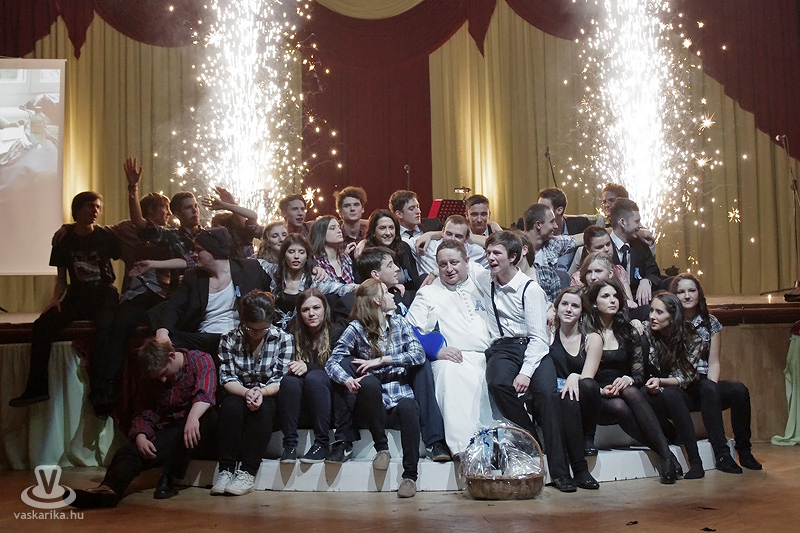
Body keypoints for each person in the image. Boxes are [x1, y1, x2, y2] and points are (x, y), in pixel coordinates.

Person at [472, 230, 576, 492]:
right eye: (488, 253)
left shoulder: (531, 290)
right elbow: (462, 262)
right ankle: (531, 438)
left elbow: (539, 338)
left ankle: (561, 472)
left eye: (497, 253)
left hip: (533, 346)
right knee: (497, 383)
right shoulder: (485, 279)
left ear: (513, 257)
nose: (490, 258)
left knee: (547, 396)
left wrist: (526, 372)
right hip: (504, 347)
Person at [68, 338, 216, 508]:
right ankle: (108, 490)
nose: (162, 379)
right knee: (129, 452)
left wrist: (192, 418)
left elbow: (205, 394)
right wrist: (140, 435)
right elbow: (143, 410)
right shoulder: (150, 379)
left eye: (164, 373)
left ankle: (168, 478)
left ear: (172, 356)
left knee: (201, 419)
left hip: (196, 424)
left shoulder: (200, 359)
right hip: (169, 428)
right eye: (157, 376)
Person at [10, 191, 121, 407]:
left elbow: (124, 249)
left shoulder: (105, 236)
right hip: (77, 295)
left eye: (98, 207)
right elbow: (61, 278)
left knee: (106, 330)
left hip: (103, 294)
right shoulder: (63, 240)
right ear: (77, 209)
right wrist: (54, 299)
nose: (95, 211)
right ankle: (36, 389)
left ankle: (100, 392)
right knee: (42, 326)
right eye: (90, 206)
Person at [326, 279, 426, 498]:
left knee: (409, 406)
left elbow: (418, 354)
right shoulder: (356, 328)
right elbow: (332, 362)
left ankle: (410, 477)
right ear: (377, 301)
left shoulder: (399, 323)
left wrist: (383, 360)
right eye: (387, 293)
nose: (392, 295)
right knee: (369, 383)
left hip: (398, 397)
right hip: (373, 405)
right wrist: (347, 380)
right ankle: (382, 448)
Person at [580, 279, 679, 484]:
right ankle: (666, 453)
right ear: (595, 302)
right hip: (597, 395)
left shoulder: (629, 331)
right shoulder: (585, 331)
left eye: (616, 296)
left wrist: (627, 379)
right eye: (606, 296)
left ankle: (666, 458)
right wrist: (603, 390)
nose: (612, 300)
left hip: (625, 391)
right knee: (619, 406)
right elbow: (583, 375)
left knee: (631, 391)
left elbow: (638, 375)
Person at [406, 240, 495, 456]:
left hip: (489, 356)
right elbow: (408, 330)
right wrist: (436, 351)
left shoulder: (482, 285)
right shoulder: (428, 293)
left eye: (454, 262)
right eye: (442, 264)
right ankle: (465, 450)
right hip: (454, 358)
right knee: (448, 372)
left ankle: (498, 447)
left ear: (466, 261)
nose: (448, 269)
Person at [670, 274, 762, 471]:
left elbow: (714, 362)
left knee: (738, 390)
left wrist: (711, 386)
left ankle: (744, 451)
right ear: (674, 296)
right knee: (707, 389)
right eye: (681, 292)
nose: (687, 296)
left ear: (699, 293)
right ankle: (722, 455)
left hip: (704, 382)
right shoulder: (668, 321)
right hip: (679, 385)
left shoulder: (710, 322)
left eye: (691, 291)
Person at [212, 290, 294, 496]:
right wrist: (247, 392)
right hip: (239, 391)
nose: (257, 334)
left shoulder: (284, 339)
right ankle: (226, 469)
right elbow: (227, 377)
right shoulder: (229, 339)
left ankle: (248, 471)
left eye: (262, 329)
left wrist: (261, 392)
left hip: (269, 394)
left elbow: (280, 379)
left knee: (264, 409)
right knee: (231, 406)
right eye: (251, 329)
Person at [147, 227, 272, 355]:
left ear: (214, 251)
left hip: (240, 335)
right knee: (164, 343)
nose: (194, 254)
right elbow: (174, 306)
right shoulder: (193, 277)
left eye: (199, 250)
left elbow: (275, 288)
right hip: (204, 338)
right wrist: (162, 332)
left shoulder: (249, 269)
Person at [642, 292, 705, 479]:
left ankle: (695, 462)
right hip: (653, 384)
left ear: (672, 316)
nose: (652, 316)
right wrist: (635, 323)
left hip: (682, 388)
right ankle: (670, 434)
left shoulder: (692, 338)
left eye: (659, 312)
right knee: (642, 395)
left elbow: (685, 377)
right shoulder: (647, 332)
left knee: (672, 394)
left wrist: (661, 382)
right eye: (651, 311)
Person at [548, 287, 602, 489]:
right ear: (557, 307)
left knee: (584, 388)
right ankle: (580, 470)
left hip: (583, 396)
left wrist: (573, 376)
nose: (569, 309)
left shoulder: (592, 338)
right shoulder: (549, 331)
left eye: (575, 306)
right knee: (567, 398)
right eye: (564, 304)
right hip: (555, 394)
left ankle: (587, 441)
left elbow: (588, 376)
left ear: (582, 311)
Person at [279, 289, 339, 463]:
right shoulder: (292, 333)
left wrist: (308, 366)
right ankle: (290, 445)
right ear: (299, 313)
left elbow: (336, 370)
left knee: (315, 378)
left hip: (328, 396)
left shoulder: (336, 332)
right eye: (305, 310)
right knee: (289, 381)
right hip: (299, 398)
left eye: (316, 308)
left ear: (325, 309)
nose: (311, 313)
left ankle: (322, 443)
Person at [262, 234, 357, 329]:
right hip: (275, 332)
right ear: (284, 255)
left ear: (307, 256)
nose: (296, 256)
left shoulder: (314, 281)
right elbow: (258, 263)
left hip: (302, 332)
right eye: (291, 252)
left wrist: (365, 286)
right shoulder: (275, 273)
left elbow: (343, 288)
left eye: (301, 252)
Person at [523, 203, 587, 303]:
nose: (556, 226)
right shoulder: (516, 248)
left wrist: (611, 231)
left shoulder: (552, 244)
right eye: (552, 222)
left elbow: (582, 238)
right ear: (538, 225)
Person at [607, 198, 662, 306]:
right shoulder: (603, 245)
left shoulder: (640, 246)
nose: (640, 226)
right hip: (611, 302)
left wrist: (647, 281)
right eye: (636, 221)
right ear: (623, 222)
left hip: (638, 301)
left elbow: (654, 272)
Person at [354, 208, 423, 293]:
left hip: (406, 296)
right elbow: (362, 287)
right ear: (373, 232)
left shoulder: (403, 248)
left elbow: (414, 282)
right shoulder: (364, 253)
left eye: (391, 228)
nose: (388, 233)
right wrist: (389, 287)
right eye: (382, 228)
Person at [411, 214, 488, 276]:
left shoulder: (477, 253)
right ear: (443, 232)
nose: (452, 239)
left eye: (458, 236)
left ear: (467, 238)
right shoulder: (427, 246)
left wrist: (491, 223)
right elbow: (403, 242)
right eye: (449, 234)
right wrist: (429, 235)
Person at [310, 215, 355, 283]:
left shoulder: (345, 258)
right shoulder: (315, 261)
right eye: (333, 228)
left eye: (338, 227)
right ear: (321, 233)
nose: (339, 231)